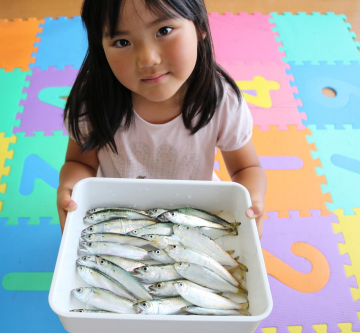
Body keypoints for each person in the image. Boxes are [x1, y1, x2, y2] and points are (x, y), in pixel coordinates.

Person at [57, 0, 267, 237]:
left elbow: (246, 168)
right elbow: (80, 163)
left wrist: (252, 201)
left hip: (193, 218)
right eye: (122, 42)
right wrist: (70, 188)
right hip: (118, 218)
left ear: (199, 27)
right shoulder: (93, 100)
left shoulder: (220, 101)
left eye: (163, 31)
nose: (148, 59)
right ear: (101, 48)